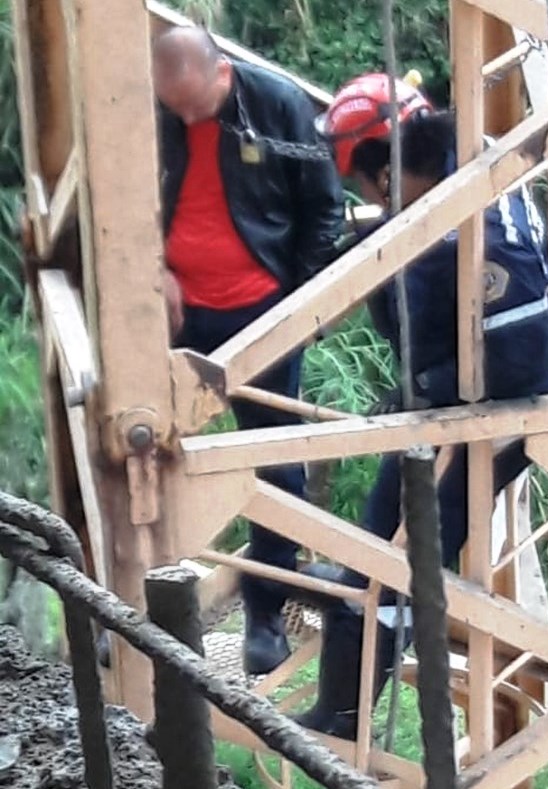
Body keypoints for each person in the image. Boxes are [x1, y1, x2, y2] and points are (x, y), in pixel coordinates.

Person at [294, 73, 548, 738]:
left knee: (394, 564)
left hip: (484, 422)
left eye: (363, 185)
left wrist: (429, 389)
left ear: (387, 171)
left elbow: (522, 357)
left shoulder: (476, 229)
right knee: (378, 553)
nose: (365, 199)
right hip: (453, 406)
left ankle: (346, 718)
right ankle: (343, 702)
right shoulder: (464, 173)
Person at [151, 26, 345, 675]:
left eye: (194, 107)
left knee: (274, 463)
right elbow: (121, 200)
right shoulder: (156, 110)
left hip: (261, 311)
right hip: (176, 314)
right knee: (145, 449)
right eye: (171, 106)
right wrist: (155, 267)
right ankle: (143, 604)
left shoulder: (277, 106)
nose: (183, 118)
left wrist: (295, 310)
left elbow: (324, 207)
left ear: (223, 76)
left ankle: (266, 611)